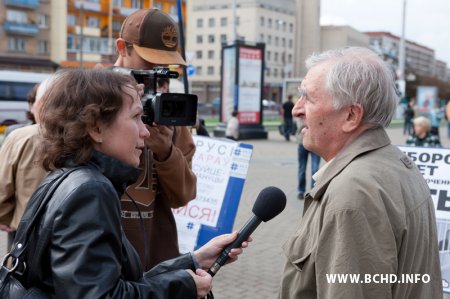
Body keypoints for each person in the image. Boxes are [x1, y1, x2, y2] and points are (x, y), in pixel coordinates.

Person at [12, 68, 248, 298]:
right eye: (136, 117)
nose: (145, 131)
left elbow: (117, 282)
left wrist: (193, 260)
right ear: (96, 127)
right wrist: (185, 287)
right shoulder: (91, 190)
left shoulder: (68, 177)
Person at [279, 47, 442, 298]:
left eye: (308, 98)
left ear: (351, 115)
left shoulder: (352, 192)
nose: (296, 109)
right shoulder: (396, 163)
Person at [114, 8, 197, 270]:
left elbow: (182, 196)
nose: (157, 70)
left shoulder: (169, 111)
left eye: (165, 62)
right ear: (122, 48)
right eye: (149, 60)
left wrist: (166, 152)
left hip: (154, 259)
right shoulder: (89, 97)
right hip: (102, 254)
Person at [0, 77, 54, 250]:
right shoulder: (87, 136)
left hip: (25, 228)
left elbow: (2, 185)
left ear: (42, 103)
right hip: (69, 231)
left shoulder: (20, 137)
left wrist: (5, 218)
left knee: (18, 274)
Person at [295, 118, 320, 200]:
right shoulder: (300, 113)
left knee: (315, 168)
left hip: (315, 144)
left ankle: (313, 192)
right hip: (302, 144)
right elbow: (298, 127)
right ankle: (301, 191)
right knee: (302, 169)